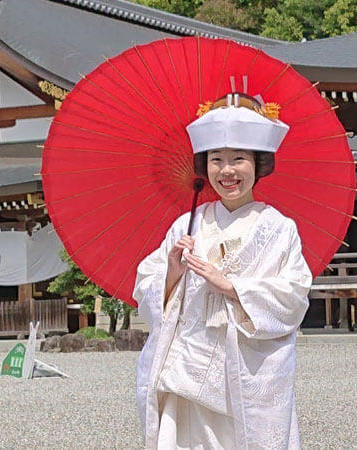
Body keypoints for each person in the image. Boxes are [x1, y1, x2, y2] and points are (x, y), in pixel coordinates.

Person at [133, 92, 312, 449]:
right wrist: (171, 273)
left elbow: (293, 297)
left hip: (246, 370)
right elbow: (147, 287)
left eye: (238, 160)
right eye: (216, 160)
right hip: (188, 361)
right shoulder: (187, 224)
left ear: (258, 165)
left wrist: (232, 287)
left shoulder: (278, 228)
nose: (226, 171)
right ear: (204, 166)